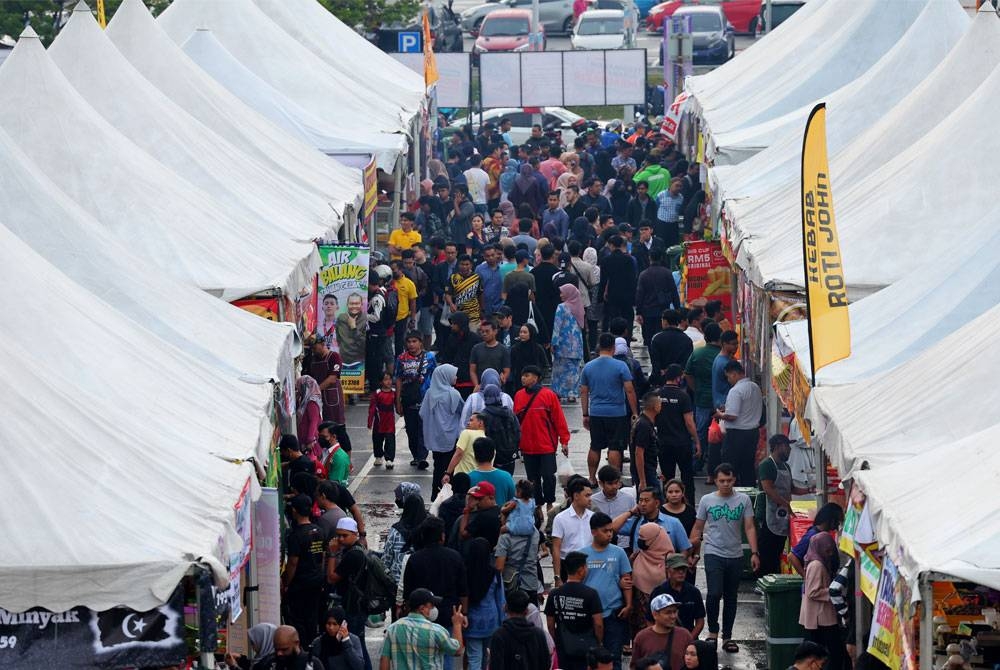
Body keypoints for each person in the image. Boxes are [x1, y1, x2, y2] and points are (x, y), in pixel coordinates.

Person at [690, 464, 759, 654]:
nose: (726, 484)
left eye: (729, 481)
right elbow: (698, 527)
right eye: (722, 481)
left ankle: (727, 636)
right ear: (715, 480)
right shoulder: (707, 500)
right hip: (713, 552)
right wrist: (691, 552)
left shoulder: (743, 499)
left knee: (731, 597)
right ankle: (713, 632)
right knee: (713, 594)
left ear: (734, 480)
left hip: (735, 554)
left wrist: (754, 552)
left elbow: (750, 527)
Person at [581, 332, 638, 484]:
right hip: (617, 413)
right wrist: (634, 412)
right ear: (613, 347)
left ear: (599, 347)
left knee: (595, 446)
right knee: (615, 447)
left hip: (596, 412)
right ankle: (614, 480)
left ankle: (592, 478)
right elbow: (629, 390)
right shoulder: (621, 366)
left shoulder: (588, 367)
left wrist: (585, 413)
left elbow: (584, 391)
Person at [581, 512, 633, 670]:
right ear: (593, 532)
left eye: (611, 530)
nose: (610, 534)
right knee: (589, 656)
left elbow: (627, 580)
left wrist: (628, 605)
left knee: (614, 657)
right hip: (588, 614)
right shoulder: (582, 554)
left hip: (613, 612)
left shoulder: (619, 553)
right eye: (605, 531)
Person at [515, 365, 570, 510]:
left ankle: (550, 503)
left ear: (536, 378)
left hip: (546, 446)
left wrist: (564, 441)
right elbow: (515, 421)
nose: (523, 378)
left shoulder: (548, 395)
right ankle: (538, 505)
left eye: (527, 375)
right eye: (523, 375)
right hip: (527, 446)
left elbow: (559, 419)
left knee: (548, 476)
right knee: (533, 479)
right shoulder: (519, 396)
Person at [758, 434, 811, 576]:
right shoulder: (767, 465)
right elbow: (768, 489)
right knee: (767, 551)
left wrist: (809, 490)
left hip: (782, 516)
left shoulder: (785, 466)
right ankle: (762, 579)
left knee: (778, 550)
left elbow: (791, 488)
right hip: (769, 515)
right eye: (787, 446)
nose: (789, 450)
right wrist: (786, 505)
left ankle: (774, 576)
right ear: (777, 447)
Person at [326, 518, 372, 670]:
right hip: (358, 605)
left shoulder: (353, 555)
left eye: (344, 536)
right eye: (338, 535)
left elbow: (331, 578)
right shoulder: (357, 549)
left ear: (355, 534)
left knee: (355, 645)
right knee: (359, 643)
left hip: (353, 607)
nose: (340, 539)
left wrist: (332, 554)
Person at [380, 588, 465, 670]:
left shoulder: (393, 629)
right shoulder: (436, 631)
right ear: (422, 608)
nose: (434, 609)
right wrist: (457, 624)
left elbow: (384, 659)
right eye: (431, 606)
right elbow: (457, 651)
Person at [545, 552, 604, 670]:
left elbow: (550, 625)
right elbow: (598, 624)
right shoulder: (591, 594)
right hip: (586, 646)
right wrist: (599, 642)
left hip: (563, 646)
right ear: (581, 570)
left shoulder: (554, 594)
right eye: (586, 567)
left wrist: (556, 642)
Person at [281, 495, 326, 643]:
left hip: (300, 584)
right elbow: (323, 556)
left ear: (294, 511)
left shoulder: (296, 535)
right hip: (316, 581)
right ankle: (312, 647)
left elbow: (293, 563)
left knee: (298, 619)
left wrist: (286, 583)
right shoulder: (319, 530)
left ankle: (304, 646)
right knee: (312, 618)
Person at [799, 533, 844, 670]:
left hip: (819, 616)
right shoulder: (817, 565)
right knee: (833, 652)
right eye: (827, 550)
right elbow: (813, 591)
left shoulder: (816, 561)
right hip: (821, 617)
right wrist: (833, 592)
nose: (830, 553)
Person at [715, 360, 763, 487]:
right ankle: (749, 496)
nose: (728, 380)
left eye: (728, 376)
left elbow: (732, 416)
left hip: (737, 435)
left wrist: (720, 415)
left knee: (730, 468)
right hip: (752, 432)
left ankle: (731, 494)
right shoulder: (755, 387)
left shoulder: (736, 391)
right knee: (747, 467)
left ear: (734, 374)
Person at [420, 364, 465, 498]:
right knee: (449, 469)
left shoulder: (429, 393)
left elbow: (422, 413)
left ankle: (436, 495)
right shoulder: (453, 393)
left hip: (435, 437)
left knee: (438, 466)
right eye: (453, 374)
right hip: (451, 437)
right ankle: (448, 497)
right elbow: (463, 411)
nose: (455, 377)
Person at [656, 365, 700, 502]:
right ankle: (689, 506)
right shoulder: (683, 396)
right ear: (678, 378)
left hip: (663, 443)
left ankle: (667, 506)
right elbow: (689, 422)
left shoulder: (657, 394)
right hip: (682, 443)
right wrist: (697, 441)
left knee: (667, 478)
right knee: (687, 477)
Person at [684, 322, 722, 480]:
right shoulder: (722, 355)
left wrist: (696, 389)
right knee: (720, 434)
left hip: (701, 400)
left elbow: (687, 374)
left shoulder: (697, 353)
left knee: (699, 432)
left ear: (705, 336)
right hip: (721, 402)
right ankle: (717, 465)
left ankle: (696, 463)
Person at [612, 487, 692, 560]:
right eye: (640, 500)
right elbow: (612, 527)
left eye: (646, 500)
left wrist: (674, 567)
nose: (642, 504)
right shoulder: (635, 522)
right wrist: (630, 512)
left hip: (665, 572)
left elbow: (684, 549)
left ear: (657, 503)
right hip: (640, 571)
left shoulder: (674, 523)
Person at [464, 538, 507, 670]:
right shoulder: (494, 573)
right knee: (487, 656)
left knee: (474, 657)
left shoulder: (465, 572)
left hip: (472, 621)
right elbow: (500, 599)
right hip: (491, 620)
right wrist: (502, 621)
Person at [628, 523, 674, 635]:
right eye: (639, 537)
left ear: (655, 540)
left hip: (662, 611)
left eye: (643, 538)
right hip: (640, 611)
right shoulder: (638, 555)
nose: (640, 540)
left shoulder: (670, 560)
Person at [490, 589, 551, 670]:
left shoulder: (499, 636)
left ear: (505, 608)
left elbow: (496, 666)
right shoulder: (538, 634)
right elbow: (546, 664)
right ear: (526, 611)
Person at [630, 595, 693, 670]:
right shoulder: (641, 637)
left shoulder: (685, 635)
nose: (673, 616)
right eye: (668, 612)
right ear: (655, 614)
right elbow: (634, 666)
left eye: (675, 611)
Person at [649, 554, 706, 637]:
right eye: (677, 569)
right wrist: (658, 639)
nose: (681, 572)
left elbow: (700, 621)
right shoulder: (658, 592)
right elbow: (649, 619)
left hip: (688, 638)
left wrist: (689, 640)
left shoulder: (693, 592)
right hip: (664, 638)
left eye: (683, 569)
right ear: (668, 570)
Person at [551, 478, 595, 584]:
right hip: (568, 567)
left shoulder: (593, 517)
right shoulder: (560, 519)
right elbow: (556, 548)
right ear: (576, 496)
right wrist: (557, 577)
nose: (590, 499)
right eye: (587, 495)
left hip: (589, 565)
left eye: (591, 495)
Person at [309, 338, 350, 452]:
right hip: (318, 399)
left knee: (339, 428)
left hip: (333, 398)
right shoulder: (313, 359)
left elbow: (332, 378)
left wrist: (316, 390)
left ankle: (348, 460)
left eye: (315, 347)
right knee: (323, 429)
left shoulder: (334, 357)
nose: (313, 350)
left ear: (322, 344)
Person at [635, 249, 681, 348]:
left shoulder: (644, 274)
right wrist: (677, 308)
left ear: (649, 258)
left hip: (647, 311)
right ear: (661, 258)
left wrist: (638, 312)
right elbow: (673, 291)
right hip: (663, 310)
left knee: (649, 338)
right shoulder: (667, 273)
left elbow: (640, 294)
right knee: (663, 336)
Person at [382, 492, 428, 583]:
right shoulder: (427, 531)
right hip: (422, 583)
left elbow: (386, 559)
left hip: (397, 581)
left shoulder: (396, 530)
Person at [788, 503, 845, 577]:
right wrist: (806, 577)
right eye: (838, 522)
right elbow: (792, 556)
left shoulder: (824, 535)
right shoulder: (813, 536)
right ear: (831, 520)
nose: (838, 526)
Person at [552, 284, 587, 402]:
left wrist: (553, 342)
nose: (560, 295)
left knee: (559, 370)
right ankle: (572, 393)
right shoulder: (579, 306)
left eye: (562, 292)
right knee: (574, 370)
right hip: (576, 344)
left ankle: (559, 392)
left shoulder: (561, 307)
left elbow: (557, 326)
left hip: (563, 343)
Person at [596, 236, 638, 333]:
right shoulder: (629, 260)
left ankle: (615, 339)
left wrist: (600, 297)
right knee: (628, 317)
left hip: (612, 294)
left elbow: (603, 280)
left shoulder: (606, 260)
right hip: (627, 295)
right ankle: (626, 339)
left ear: (611, 245)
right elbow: (633, 279)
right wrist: (634, 297)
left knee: (614, 318)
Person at [439, 312, 481, 399]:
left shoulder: (475, 339)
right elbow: (446, 358)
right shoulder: (451, 338)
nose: (452, 326)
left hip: (471, 382)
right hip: (455, 381)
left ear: (461, 324)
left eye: (454, 324)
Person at [467, 437, 518, 505]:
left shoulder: (468, 478)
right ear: (494, 454)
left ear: (475, 455)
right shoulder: (506, 477)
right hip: (500, 514)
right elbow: (513, 501)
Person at [649, 310, 693, 386]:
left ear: (665, 321)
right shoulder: (687, 339)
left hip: (662, 380)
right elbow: (687, 363)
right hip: (679, 380)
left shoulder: (657, 338)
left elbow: (655, 363)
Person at [254, 625, 324, 670]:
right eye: (276, 649)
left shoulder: (313, 664)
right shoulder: (270, 663)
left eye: (284, 649)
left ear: (296, 643)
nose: (279, 653)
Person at [531, 244, 562, 344]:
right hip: (553, 309)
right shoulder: (557, 273)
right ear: (553, 256)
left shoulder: (534, 272)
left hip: (538, 308)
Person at [445, 254, 485, 331]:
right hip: (458, 315)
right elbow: (448, 294)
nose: (464, 267)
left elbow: (480, 294)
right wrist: (451, 304)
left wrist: (482, 310)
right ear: (458, 264)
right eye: (462, 264)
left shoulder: (476, 278)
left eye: (467, 264)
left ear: (471, 265)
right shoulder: (453, 278)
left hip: (473, 315)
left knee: (473, 337)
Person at [631, 391, 661, 492]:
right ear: (654, 406)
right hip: (646, 471)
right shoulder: (644, 425)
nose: (661, 406)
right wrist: (643, 480)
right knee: (654, 500)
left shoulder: (644, 421)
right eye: (659, 403)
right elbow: (638, 453)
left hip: (649, 469)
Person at [368, 371, 397, 469]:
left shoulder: (394, 392)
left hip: (390, 423)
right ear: (381, 382)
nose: (388, 381)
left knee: (390, 440)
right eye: (385, 379)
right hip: (379, 423)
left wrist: (401, 412)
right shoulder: (377, 393)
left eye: (389, 379)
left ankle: (389, 459)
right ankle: (378, 456)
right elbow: (372, 409)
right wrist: (370, 422)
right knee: (377, 440)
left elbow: (398, 404)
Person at [470, 319, 511, 387]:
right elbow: (472, 370)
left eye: (487, 331)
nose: (484, 334)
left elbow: (506, 370)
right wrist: (476, 385)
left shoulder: (503, 349)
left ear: (495, 331)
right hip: (480, 388)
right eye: (482, 332)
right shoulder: (476, 348)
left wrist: (502, 380)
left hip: (497, 388)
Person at [509, 324, 548, 395]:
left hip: (535, 383)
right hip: (519, 383)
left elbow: (545, 365)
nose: (522, 334)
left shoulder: (538, 348)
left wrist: (539, 377)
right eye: (520, 332)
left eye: (525, 332)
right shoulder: (515, 349)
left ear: (531, 333)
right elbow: (511, 366)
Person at [444, 412, 487, 477]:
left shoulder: (466, 433)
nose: (468, 423)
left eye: (471, 420)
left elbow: (458, 454)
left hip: (463, 477)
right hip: (479, 478)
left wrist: (448, 473)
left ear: (480, 423)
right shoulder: (488, 441)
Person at [297, 375, 324, 463]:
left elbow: (314, 421)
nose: (299, 391)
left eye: (299, 387)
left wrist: (310, 439)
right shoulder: (306, 400)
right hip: (308, 440)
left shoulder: (312, 401)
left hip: (311, 442)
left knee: (313, 465)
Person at [336, 292, 367, 367]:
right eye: (351, 304)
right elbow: (338, 339)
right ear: (347, 304)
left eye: (357, 303)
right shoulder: (341, 318)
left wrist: (354, 328)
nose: (354, 306)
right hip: (342, 360)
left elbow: (365, 344)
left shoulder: (365, 319)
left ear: (361, 305)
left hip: (359, 362)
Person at [711, 331, 739, 410]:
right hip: (725, 404)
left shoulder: (720, 359)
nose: (736, 346)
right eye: (733, 344)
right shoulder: (725, 363)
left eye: (737, 344)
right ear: (724, 344)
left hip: (721, 402)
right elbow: (736, 383)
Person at [475, 245, 504, 316]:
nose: (490, 258)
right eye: (488, 256)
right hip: (485, 307)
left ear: (496, 255)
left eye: (492, 255)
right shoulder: (479, 269)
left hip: (500, 307)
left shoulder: (503, 269)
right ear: (484, 257)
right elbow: (476, 289)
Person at [654, 178, 684, 246]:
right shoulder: (661, 195)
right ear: (670, 185)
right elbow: (655, 208)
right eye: (677, 185)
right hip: (662, 224)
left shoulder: (681, 198)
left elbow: (680, 213)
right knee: (661, 244)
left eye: (680, 186)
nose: (678, 188)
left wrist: (681, 226)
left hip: (674, 225)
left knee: (673, 245)